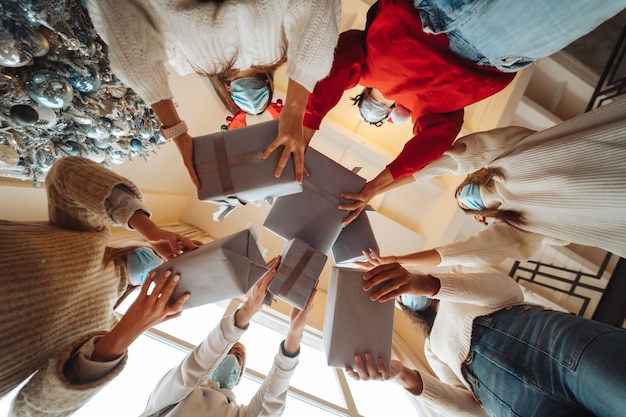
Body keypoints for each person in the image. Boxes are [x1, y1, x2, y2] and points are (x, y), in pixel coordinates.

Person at [268, 0, 625, 225]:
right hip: (498, 46)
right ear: (392, 114)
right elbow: (432, 145)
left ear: (359, 94)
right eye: (378, 118)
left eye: (368, 108)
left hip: (433, 9)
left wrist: (306, 125)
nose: (376, 111)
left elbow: (332, 65)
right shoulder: (433, 113)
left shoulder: (362, 63)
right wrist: (375, 186)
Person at [1, 156, 198, 415]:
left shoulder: (104, 327)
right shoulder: (89, 238)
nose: (154, 266)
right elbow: (66, 172)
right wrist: (150, 229)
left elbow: (31, 411)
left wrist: (130, 329)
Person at [86, 0, 340, 188]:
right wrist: (295, 111)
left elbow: (131, 44)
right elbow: (317, 10)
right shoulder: (280, 48)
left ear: (228, 90)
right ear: (268, 83)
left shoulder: (188, 62)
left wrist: (178, 133)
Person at [353, 98, 626, 268]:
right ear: (482, 217)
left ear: (474, 174)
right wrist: (402, 261)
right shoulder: (520, 225)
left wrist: (375, 188)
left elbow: (447, 161)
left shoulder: (503, 154)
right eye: (466, 206)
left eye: (462, 193)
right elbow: (472, 252)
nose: (466, 198)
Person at [346, 263, 626, 417]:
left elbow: (508, 291)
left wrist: (429, 284)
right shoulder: (432, 347)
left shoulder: (460, 279)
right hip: (511, 403)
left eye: (401, 289)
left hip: (547, 344)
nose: (403, 295)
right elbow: (469, 408)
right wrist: (402, 375)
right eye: (400, 299)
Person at [138, 256, 316, 417]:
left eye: (237, 360)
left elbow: (271, 402)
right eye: (224, 356)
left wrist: (294, 334)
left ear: (238, 377)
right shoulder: (171, 397)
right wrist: (248, 310)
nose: (230, 362)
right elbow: (195, 366)